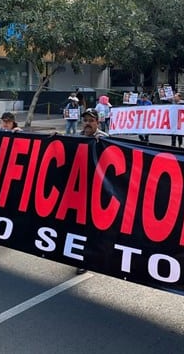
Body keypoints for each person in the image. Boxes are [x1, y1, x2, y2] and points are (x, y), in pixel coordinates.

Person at [75, 107, 109, 275]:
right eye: (85, 120)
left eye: (91, 120)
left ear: (98, 122)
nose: (87, 123)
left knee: (91, 229)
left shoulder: (105, 140)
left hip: (97, 192)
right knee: (78, 227)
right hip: (78, 191)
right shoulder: (77, 137)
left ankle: (88, 259)